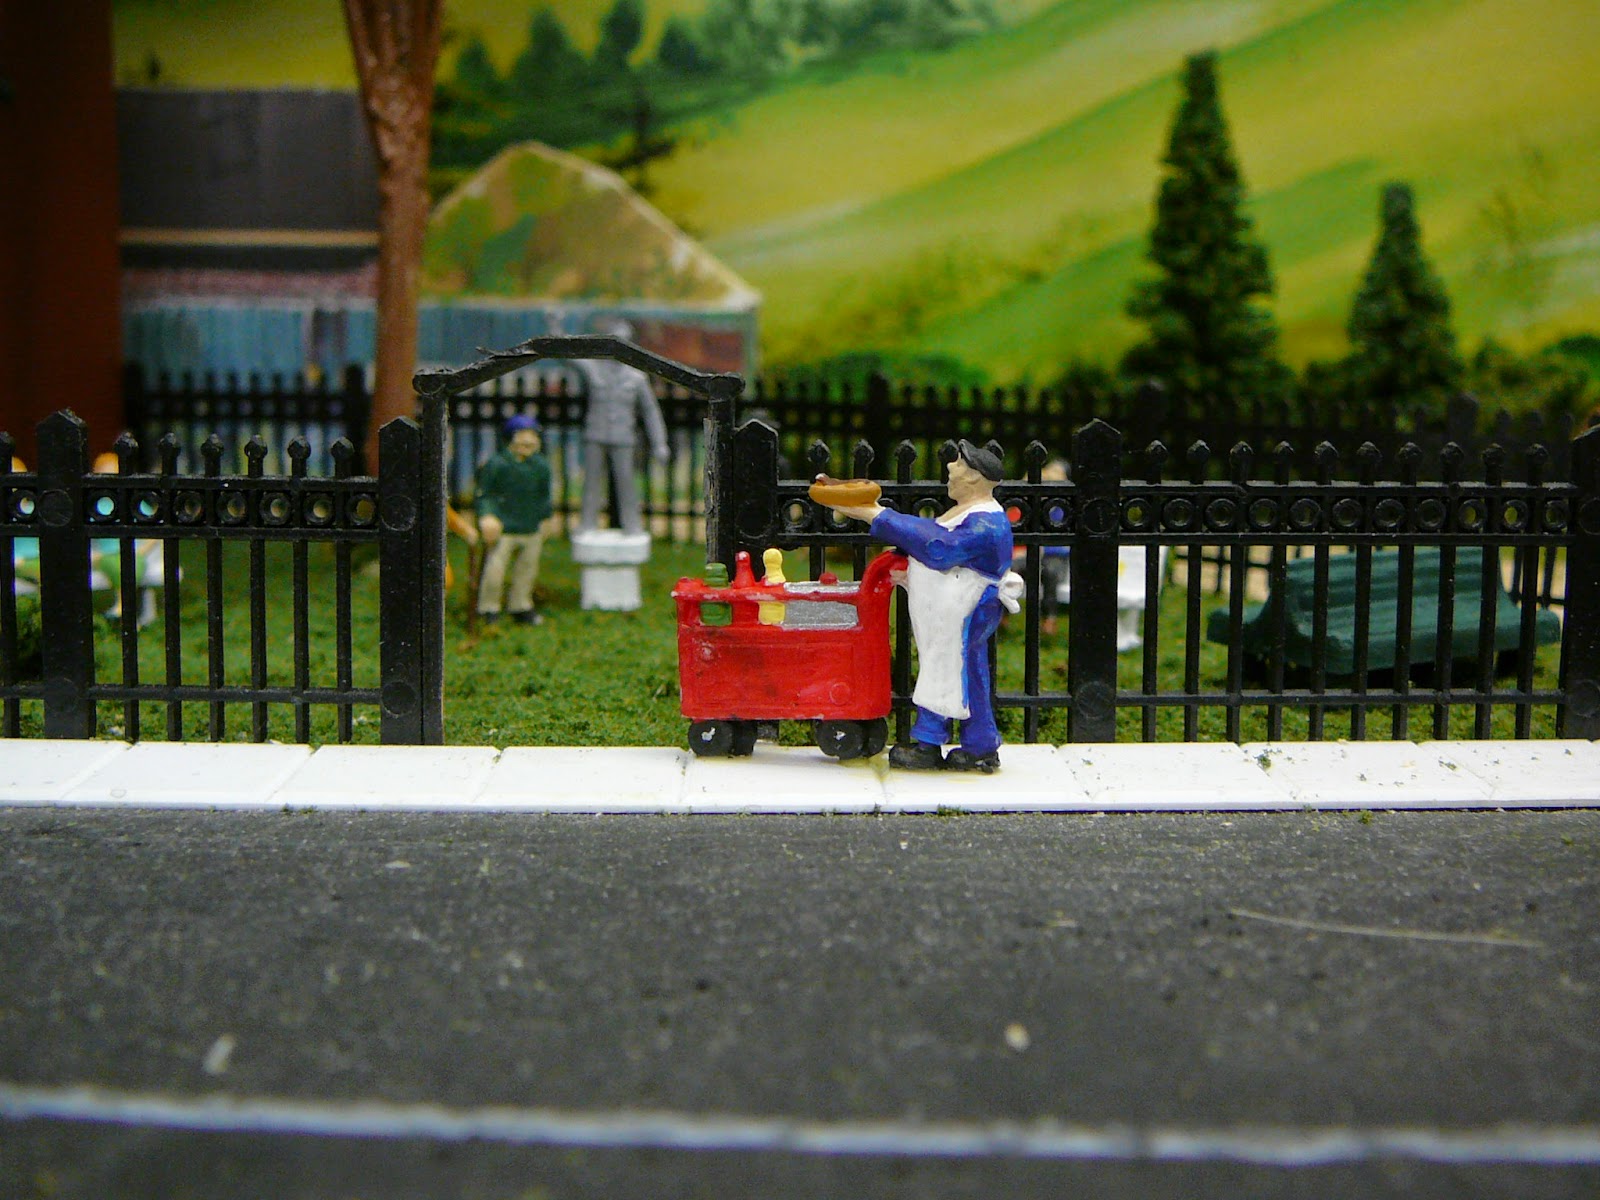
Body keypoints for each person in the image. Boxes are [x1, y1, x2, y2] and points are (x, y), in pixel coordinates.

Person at [820, 440, 1023, 773]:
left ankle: (934, 744)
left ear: (974, 478)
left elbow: (939, 548)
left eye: (958, 465)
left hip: (967, 609)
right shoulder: (969, 511)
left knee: (947, 668)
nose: (950, 469)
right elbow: (931, 536)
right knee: (961, 671)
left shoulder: (987, 522)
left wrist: (877, 515)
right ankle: (978, 745)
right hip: (958, 606)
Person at [574, 317, 670, 535]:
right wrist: (555, 328)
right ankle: (587, 523)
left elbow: (650, 411)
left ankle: (632, 525)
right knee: (591, 483)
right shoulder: (593, 369)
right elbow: (568, 358)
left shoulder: (636, 378)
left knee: (626, 484)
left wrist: (659, 443)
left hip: (623, 437)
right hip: (595, 434)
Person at [475, 415, 553, 625]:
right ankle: (488, 607)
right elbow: (485, 495)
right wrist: (488, 516)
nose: (528, 441)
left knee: (527, 570)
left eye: (532, 436)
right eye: (522, 436)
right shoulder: (497, 464)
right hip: (504, 528)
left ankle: (521, 605)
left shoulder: (541, 467)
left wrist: (545, 518)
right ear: (510, 438)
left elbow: (544, 496)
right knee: (495, 570)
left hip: (530, 527)